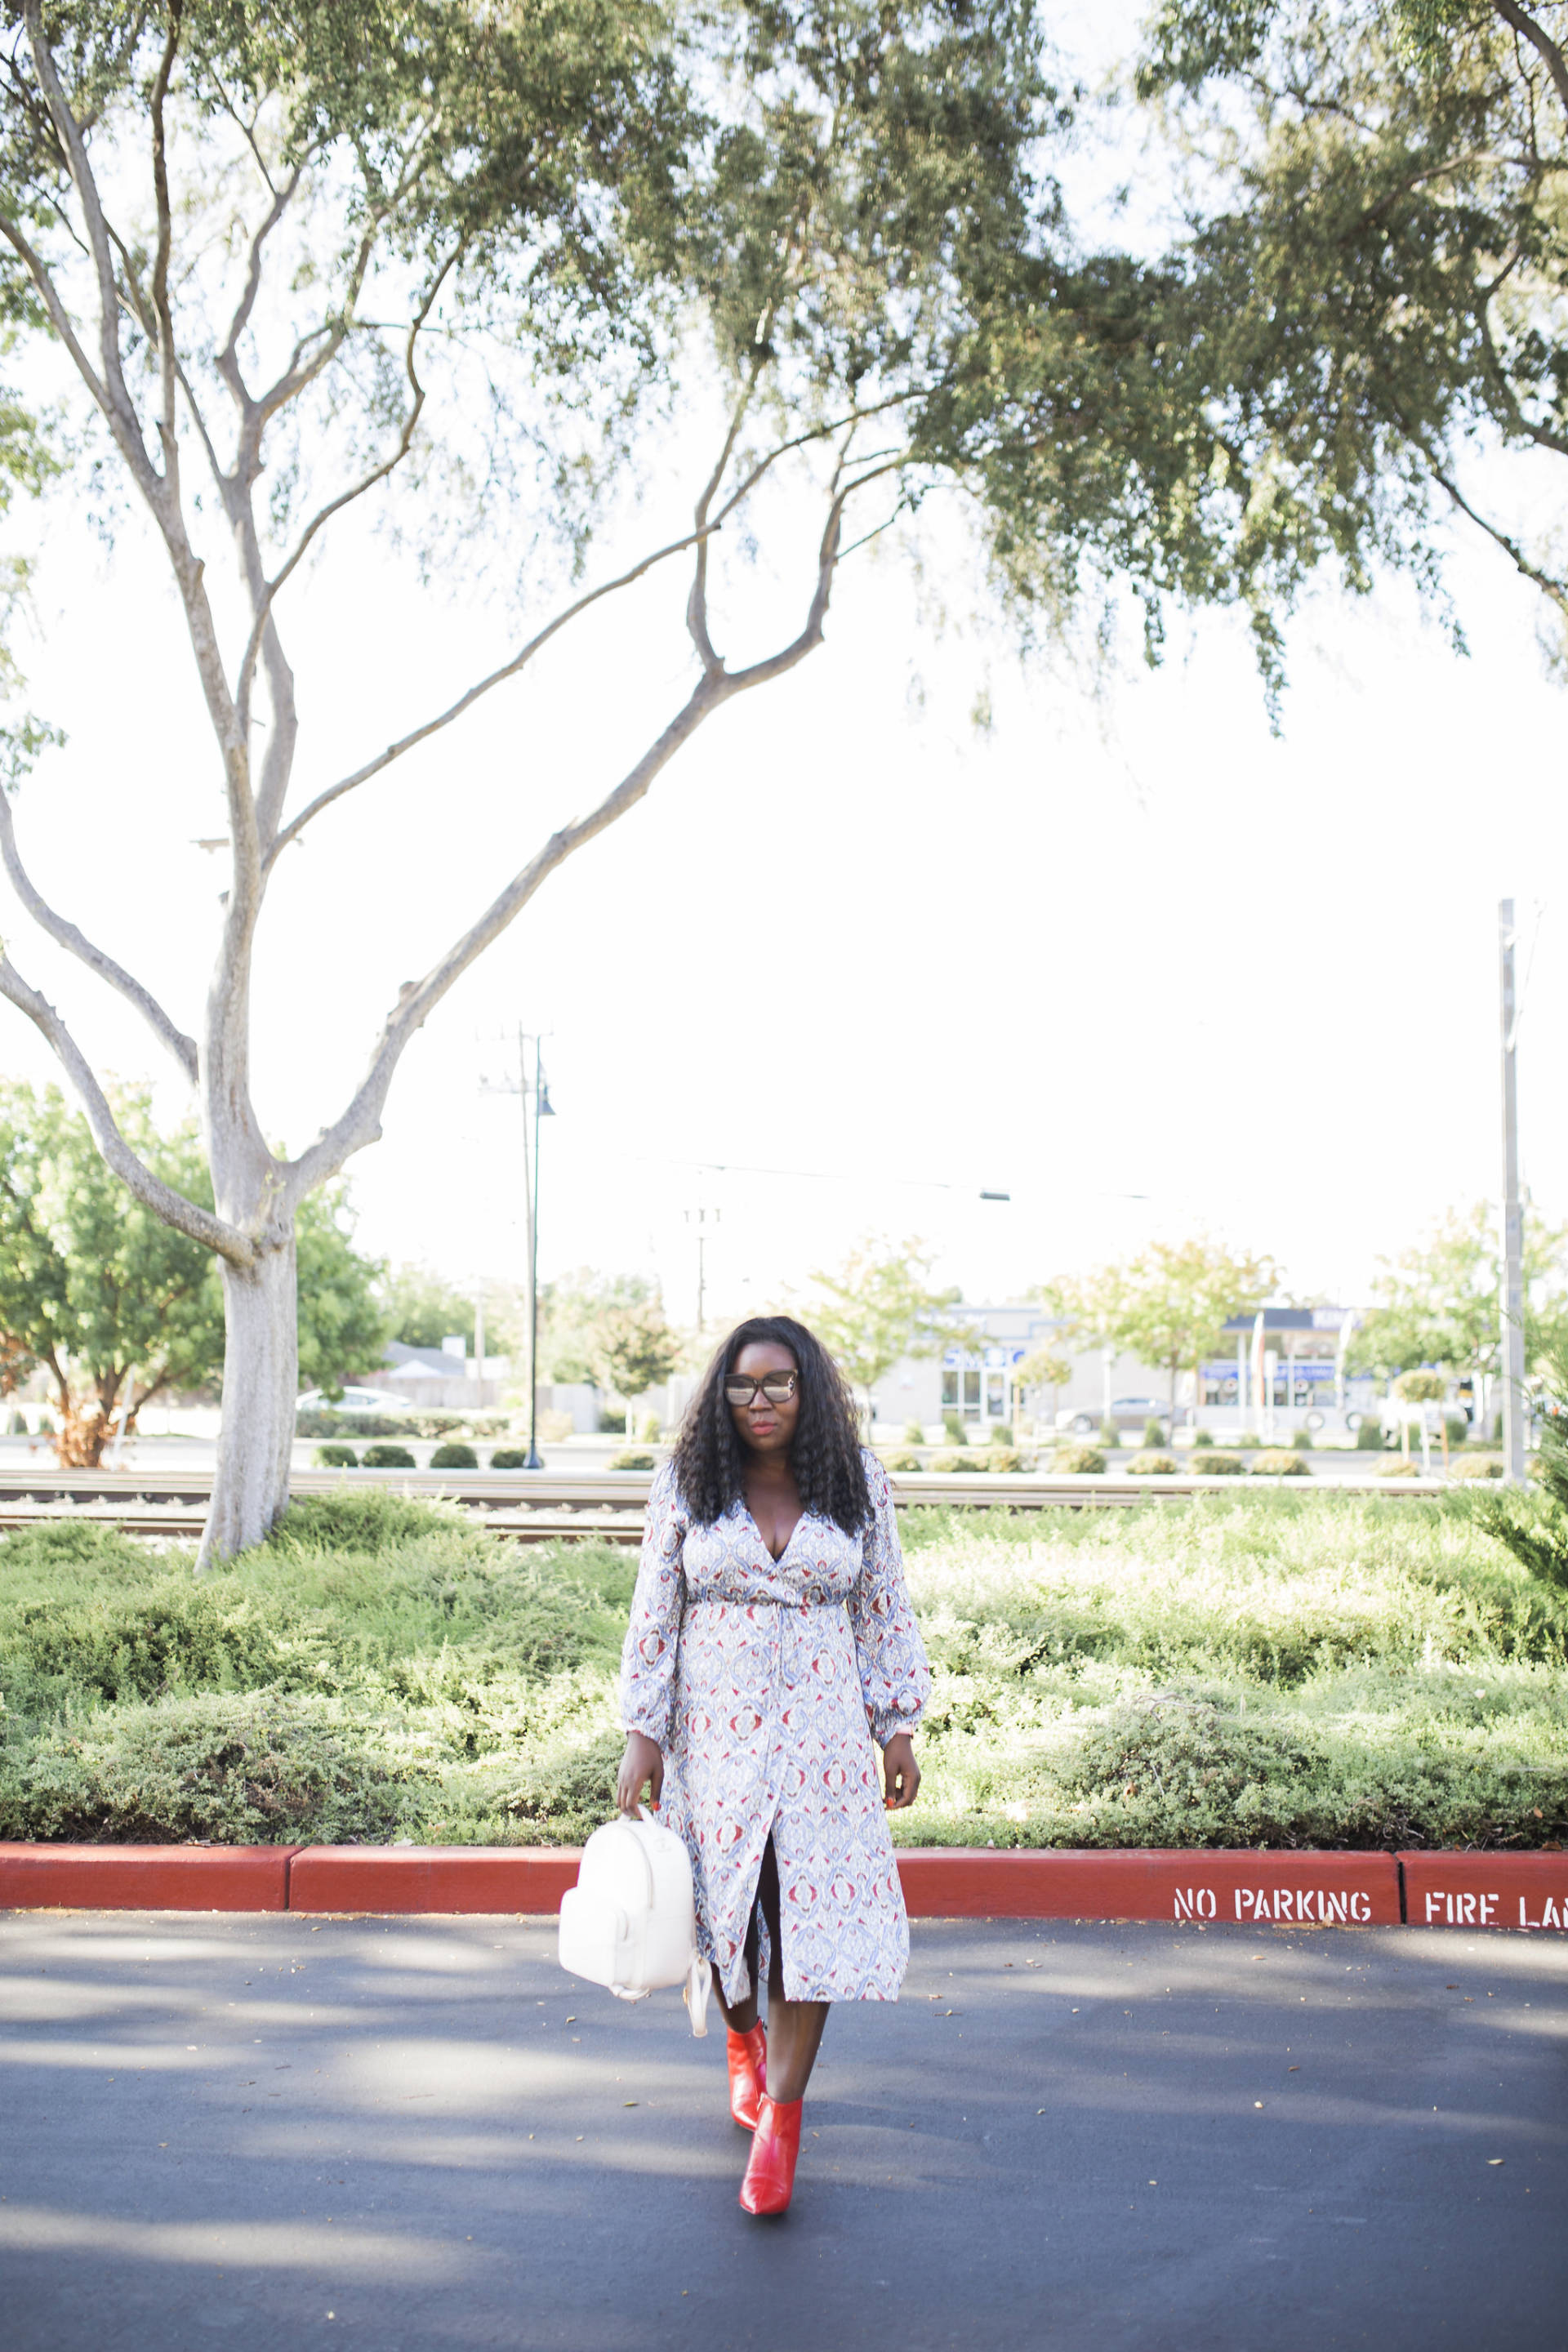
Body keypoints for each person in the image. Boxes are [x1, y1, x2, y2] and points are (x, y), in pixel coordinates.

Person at [617, 1313, 931, 2216]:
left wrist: (896, 1725)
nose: (761, 1402)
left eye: (779, 1384)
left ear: (810, 1391)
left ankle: (781, 2123)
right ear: (722, 1396)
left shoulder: (855, 1481)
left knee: (809, 1930)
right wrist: (643, 1730)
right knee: (727, 1917)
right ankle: (743, 2042)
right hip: (712, 1739)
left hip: (825, 1742)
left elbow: (883, 1605)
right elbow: (655, 1605)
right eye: (744, 1385)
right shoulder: (688, 1482)